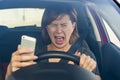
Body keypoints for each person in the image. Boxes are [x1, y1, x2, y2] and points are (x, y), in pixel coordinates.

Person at [5, 5, 101, 80]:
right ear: (46, 28)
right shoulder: (32, 54)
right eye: (53, 25)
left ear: (73, 26)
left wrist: (86, 74)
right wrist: (10, 74)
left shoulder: (85, 56)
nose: (58, 30)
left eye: (64, 25)